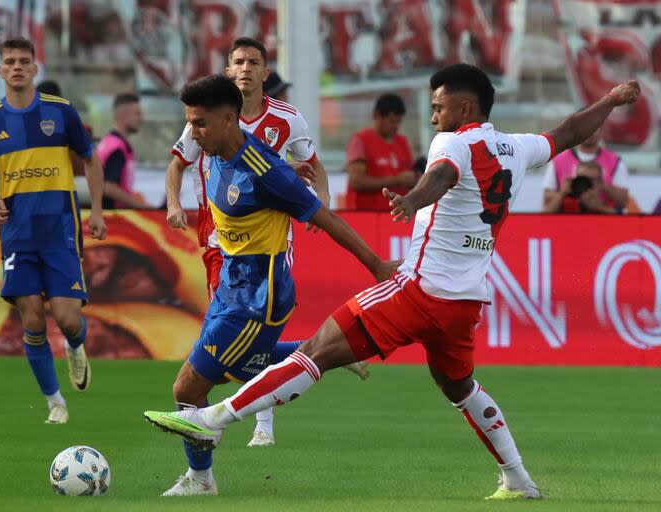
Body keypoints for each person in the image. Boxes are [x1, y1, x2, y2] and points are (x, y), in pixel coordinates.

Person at [143, 64, 641, 500]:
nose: (433, 117)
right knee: (460, 386)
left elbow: (442, 173)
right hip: (465, 301)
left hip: (418, 289)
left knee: (315, 352)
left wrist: (414, 198)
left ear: (464, 107)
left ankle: (215, 417)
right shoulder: (517, 147)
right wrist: (610, 101)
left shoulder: (453, 141)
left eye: (439, 107)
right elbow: (570, 131)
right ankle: (517, 478)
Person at [150, 74, 395, 497]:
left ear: (229, 119)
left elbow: (326, 220)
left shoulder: (265, 170)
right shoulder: (218, 152)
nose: (193, 133)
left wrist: (376, 265)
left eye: (200, 124)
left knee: (187, 388)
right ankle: (324, 353)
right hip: (232, 285)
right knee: (245, 366)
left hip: (256, 298)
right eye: (190, 123)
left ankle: (201, 480)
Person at [164, 36, 332, 448]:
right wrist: (173, 203)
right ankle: (322, 350)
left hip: (268, 238)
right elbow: (178, 165)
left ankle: (256, 423)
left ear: (265, 72)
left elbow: (311, 166)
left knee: (245, 335)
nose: (245, 68)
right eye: (237, 61)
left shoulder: (287, 120)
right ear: (228, 71)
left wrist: (322, 203)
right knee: (233, 340)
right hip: (216, 236)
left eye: (253, 62)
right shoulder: (202, 117)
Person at [0, 37, 107, 424]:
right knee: (30, 320)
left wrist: (96, 209)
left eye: (23, 61)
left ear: (34, 68)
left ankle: (75, 345)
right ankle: (55, 402)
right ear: (0, 70)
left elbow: (91, 162)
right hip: (17, 233)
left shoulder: (61, 113)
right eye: (9, 61)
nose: (16, 67)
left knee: (67, 320)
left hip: (60, 228)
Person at [345, 93, 417, 210]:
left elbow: (411, 176)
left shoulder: (402, 141)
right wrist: (396, 180)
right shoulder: (360, 140)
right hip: (366, 216)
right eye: (392, 121)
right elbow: (356, 181)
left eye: (399, 122)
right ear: (377, 115)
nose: (395, 126)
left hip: (397, 215)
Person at [541, 125, 629, 213]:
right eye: (585, 128)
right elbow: (546, 201)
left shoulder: (615, 161)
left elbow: (623, 201)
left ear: (602, 131)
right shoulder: (558, 160)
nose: (589, 132)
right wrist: (563, 193)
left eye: (594, 128)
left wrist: (603, 190)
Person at [96, 93, 150, 209]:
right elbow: (109, 188)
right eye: (137, 114)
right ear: (123, 115)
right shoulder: (117, 148)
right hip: (113, 219)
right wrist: (142, 206)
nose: (142, 119)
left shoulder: (109, 142)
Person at [547, 161, 616, 214]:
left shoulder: (609, 204)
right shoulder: (565, 202)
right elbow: (544, 218)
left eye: (592, 180)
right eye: (582, 179)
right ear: (575, 180)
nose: (586, 184)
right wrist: (561, 193)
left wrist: (600, 208)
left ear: (600, 183)